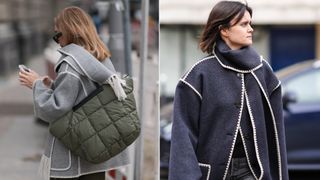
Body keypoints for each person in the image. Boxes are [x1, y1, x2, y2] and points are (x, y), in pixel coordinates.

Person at [169, 1, 289, 180]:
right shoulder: (198, 75)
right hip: (211, 174)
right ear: (223, 30)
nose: (251, 29)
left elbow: (277, 135)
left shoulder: (263, 72)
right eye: (243, 24)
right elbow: (182, 137)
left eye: (250, 23)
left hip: (252, 172)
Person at [19, 6, 129, 180]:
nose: (57, 41)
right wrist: (54, 85)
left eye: (58, 35)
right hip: (96, 151)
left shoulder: (71, 64)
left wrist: (36, 85)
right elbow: (86, 97)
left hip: (73, 155)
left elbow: (56, 108)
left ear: (70, 32)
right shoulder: (101, 57)